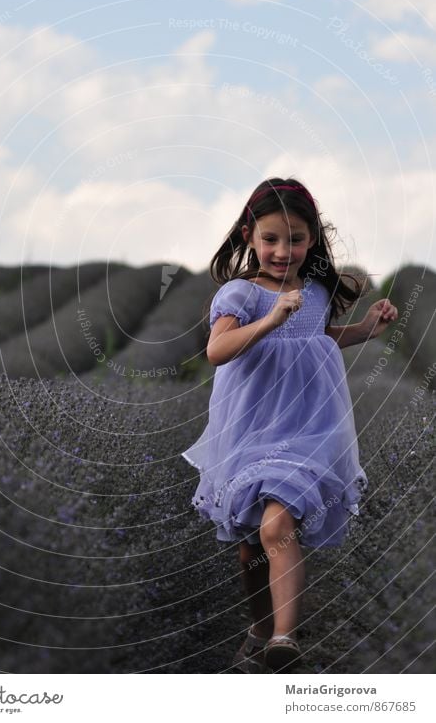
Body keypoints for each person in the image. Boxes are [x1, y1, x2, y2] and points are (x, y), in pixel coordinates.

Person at [181, 177, 398, 673]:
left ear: (312, 239)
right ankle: (259, 632)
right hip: (250, 433)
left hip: (309, 429)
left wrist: (365, 330)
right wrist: (268, 321)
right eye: (272, 238)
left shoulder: (315, 292)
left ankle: (283, 639)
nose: (284, 250)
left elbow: (315, 341)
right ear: (248, 237)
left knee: (278, 522)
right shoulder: (241, 293)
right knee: (249, 547)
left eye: (296, 238)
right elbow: (217, 351)